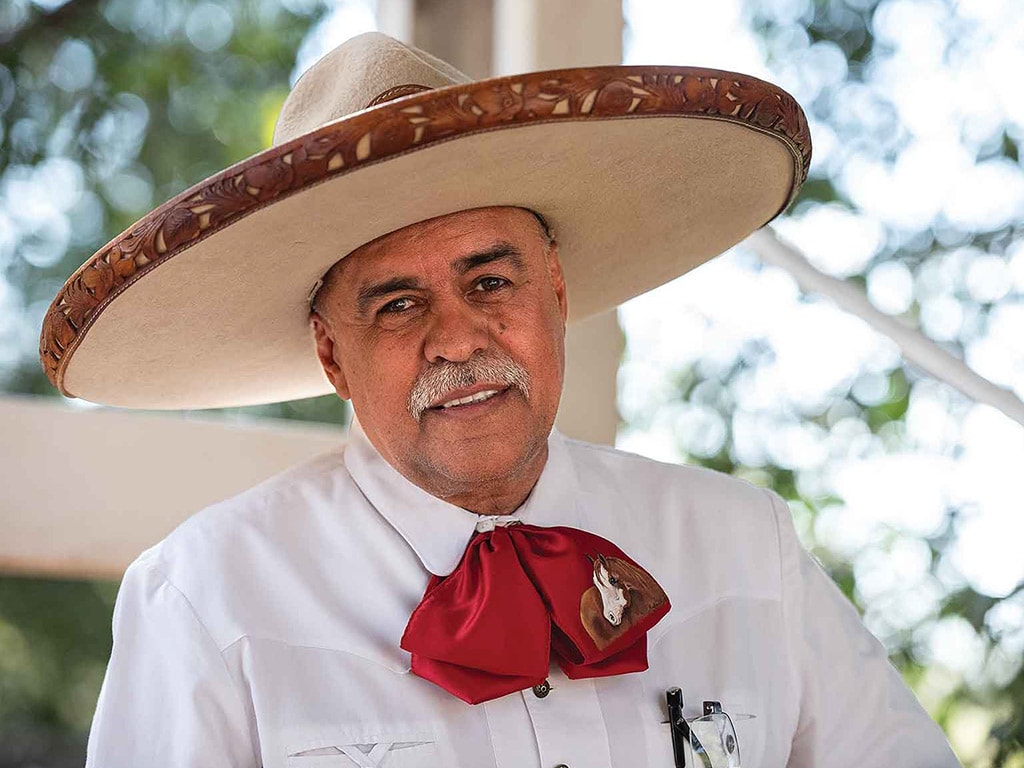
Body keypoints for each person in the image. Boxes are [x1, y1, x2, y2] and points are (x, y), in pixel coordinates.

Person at [40, 32, 960, 768]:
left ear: (554, 292)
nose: (460, 338)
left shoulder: (743, 548)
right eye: (397, 305)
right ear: (332, 353)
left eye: (490, 281)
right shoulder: (205, 595)